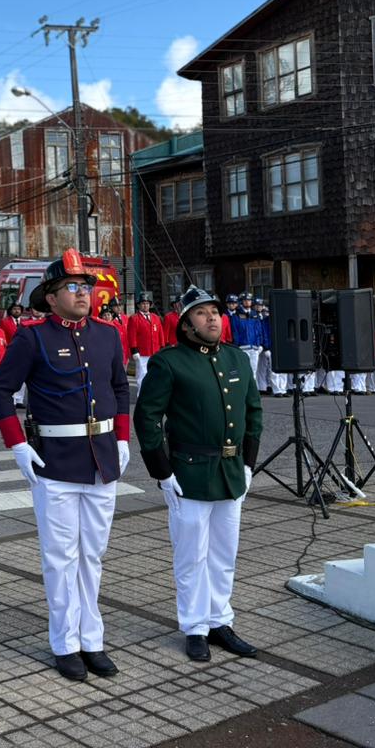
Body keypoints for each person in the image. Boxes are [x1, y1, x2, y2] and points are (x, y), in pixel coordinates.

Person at [0, 248, 130, 682]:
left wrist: (123, 438)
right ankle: (65, 642)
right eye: (73, 286)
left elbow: (121, 389)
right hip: (55, 462)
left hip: (102, 459)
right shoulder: (32, 337)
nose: (83, 293)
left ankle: (93, 639)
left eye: (86, 286)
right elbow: (0, 390)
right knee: (60, 557)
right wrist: (16, 445)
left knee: (94, 555)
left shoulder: (107, 334)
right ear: (50, 296)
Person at [134, 284, 263, 663]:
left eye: (215, 312)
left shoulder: (237, 359)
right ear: (186, 324)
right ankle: (194, 627)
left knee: (225, 554)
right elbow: (147, 417)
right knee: (192, 556)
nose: (213, 318)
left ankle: (220, 620)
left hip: (230, 472)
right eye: (203, 313)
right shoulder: (169, 362)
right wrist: (162, 470)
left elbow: (253, 411)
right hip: (188, 474)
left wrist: (248, 463)